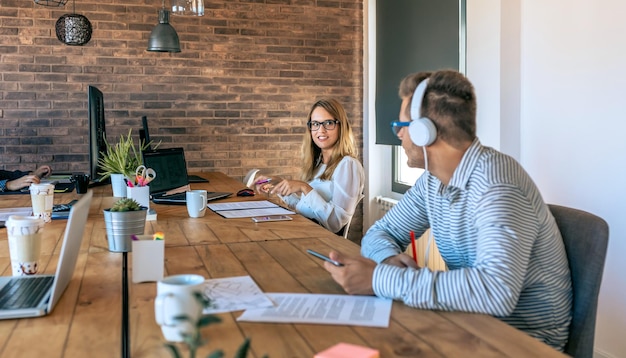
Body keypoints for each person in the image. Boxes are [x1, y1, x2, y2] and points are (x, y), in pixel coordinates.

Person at [322, 70, 573, 350]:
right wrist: (389, 260)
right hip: (467, 325)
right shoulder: (433, 182)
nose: (400, 135)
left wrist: (379, 279)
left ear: (424, 131)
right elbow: (382, 231)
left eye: (402, 125)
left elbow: (495, 291)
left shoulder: (497, 185)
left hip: (521, 344)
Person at [254, 98, 364, 235]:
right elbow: (304, 209)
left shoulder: (348, 164)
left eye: (329, 123)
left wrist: (304, 187)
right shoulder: (319, 164)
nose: (321, 130)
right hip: (305, 234)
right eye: (315, 124)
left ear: (341, 126)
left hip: (323, 243)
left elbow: (336, 223)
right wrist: (279, 185)